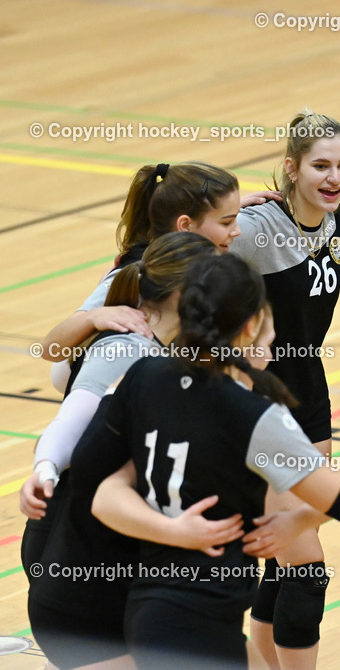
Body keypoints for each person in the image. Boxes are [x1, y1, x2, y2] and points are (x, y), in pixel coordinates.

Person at [84, 252, 340, 669]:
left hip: (147, 609)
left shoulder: (146, 375)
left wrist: (173, 531)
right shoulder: (253, 415)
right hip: (199, 625)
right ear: (251, 326)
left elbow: (102, 495)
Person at [21, 231, 219, 669]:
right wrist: (45, 468)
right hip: (80, 563)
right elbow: (70, 421)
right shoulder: (127, 349)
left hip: (121, 565)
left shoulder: (175, 354)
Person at [229, 110, 340, 669]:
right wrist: (227, 212)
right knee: (305, 565)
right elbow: (179, 256)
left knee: (285, 555)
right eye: (321, 166)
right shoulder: (256, 229)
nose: (335, 177)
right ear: (291, 168)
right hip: (259, 399)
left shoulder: (331, 220)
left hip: (310, 393)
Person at [40, 161, 242, 383]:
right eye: (227, 222)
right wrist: (93, 317)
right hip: (99, 383)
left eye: (236, 218)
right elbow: (51, 349)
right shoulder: (144, 273)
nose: (238, 230)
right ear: (185, 225)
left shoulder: (197, 260)